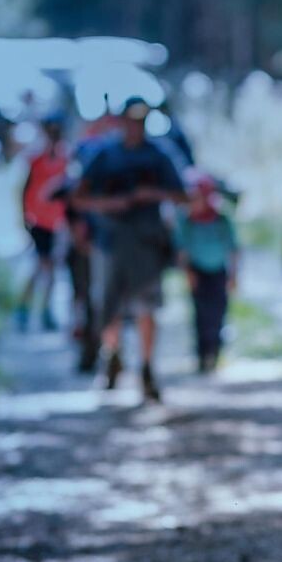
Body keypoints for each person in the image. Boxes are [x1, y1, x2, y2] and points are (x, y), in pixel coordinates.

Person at [72, 96, 187, 403]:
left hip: (147, 244)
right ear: (121, 121)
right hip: (109, 243)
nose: (135, 126)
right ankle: (112, 358)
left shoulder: (159, 155)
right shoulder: (103, 154)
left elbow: (182, 195)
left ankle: (147, 368)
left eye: (141, 120)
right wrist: (109, 205)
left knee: (146, 307)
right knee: (108, 305)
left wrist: (153, 194)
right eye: (131, 120)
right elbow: (78, 197)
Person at [176, 170, 239, 372]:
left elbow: (233, 249)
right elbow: (182, 250)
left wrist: (233, 275)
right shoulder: (187, 222)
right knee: (200, 315)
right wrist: (188, 273)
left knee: (217, 313)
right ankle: (202, 355)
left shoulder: (221, 220)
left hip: (218, 273)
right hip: (198, 273)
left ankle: (215, 351)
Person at [16, 118, 68, 332]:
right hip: (38, 221)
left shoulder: (66, 157)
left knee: (51, 268)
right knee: (41, 266)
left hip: (58, 222)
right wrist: (24, 217)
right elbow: (25, 188)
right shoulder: (36, 159)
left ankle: (45, 310)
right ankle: (24, 309)